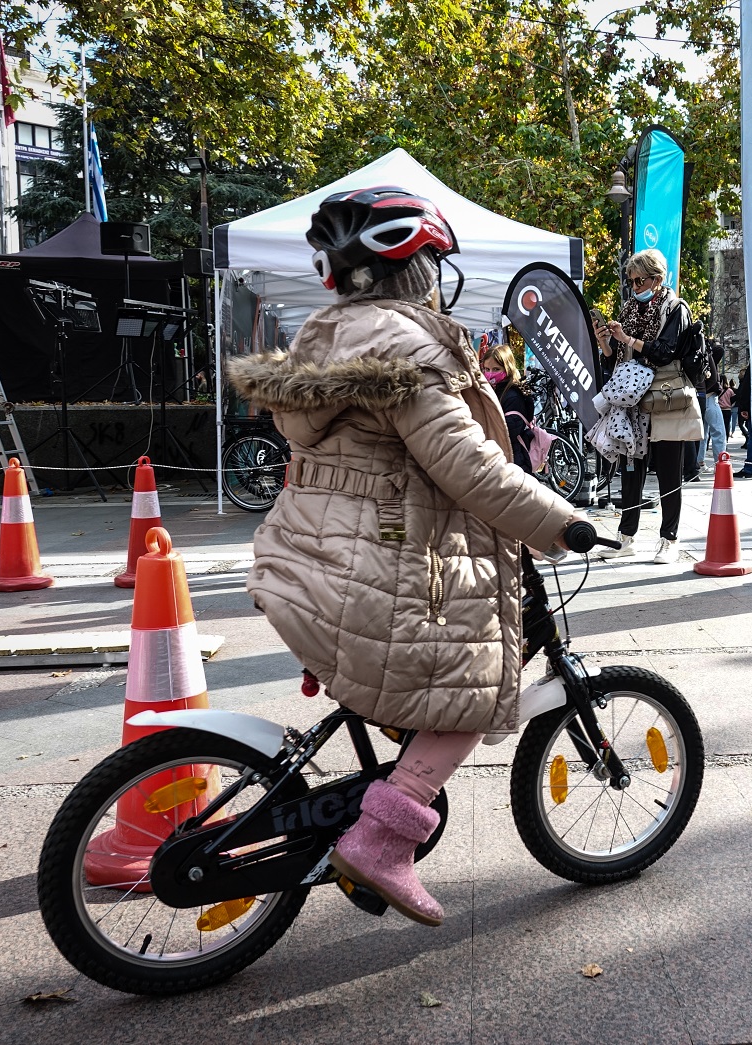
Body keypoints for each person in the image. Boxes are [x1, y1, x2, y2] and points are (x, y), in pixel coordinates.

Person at [226, 186, 579, 927]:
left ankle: (373, 797)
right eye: (434, 262)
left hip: (316, 563)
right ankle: (383, 839)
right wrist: (564, 523)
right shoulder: (410, 349)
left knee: (429, 652)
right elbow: (469, 468)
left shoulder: (325, 338)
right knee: (475, 681)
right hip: (375, 576)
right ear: (416, 269)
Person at [598, 249, 704, 564]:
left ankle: (669, 539)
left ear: (656, 279)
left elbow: (664, 351)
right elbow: (613, 360)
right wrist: (606, 340)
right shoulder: (629, 310)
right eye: (630, 282)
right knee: (631, 471)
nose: (634, 287)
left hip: (665, 396)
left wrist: (628, 339)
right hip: (633, 400)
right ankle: (626, 537)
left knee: (670, 472)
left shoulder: (675, 308)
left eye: (639, 280)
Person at [480, 344, 536, 474]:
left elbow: (509, 430)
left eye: (496, 369)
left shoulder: (513, 395)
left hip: (512, 460)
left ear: (507, 368)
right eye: (487, 369)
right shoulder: (492, 390)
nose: (490, 374)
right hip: (502, 457)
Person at [696, 341, 727, 471]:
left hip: (701, 397)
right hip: (709, 397)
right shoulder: (708, 355)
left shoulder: (698, 356)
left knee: (702, 433)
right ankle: (720, 464)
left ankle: (699, 461)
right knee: (718, 432)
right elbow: (720, 349)